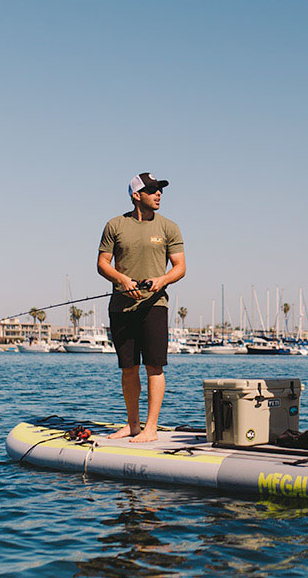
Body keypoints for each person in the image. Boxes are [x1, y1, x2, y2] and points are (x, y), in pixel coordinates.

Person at [97, 172, 186, 443]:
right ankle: (133, 425)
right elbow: (102, 263)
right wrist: (122, 280)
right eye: (152, 190)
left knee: (154, 367)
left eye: (160, 190)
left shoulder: (169, 227)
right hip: (122, 307)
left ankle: (151, 428)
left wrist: (162, 280)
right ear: (136, 195)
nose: (158, 194)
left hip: (154, 306)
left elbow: (180, 267)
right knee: (128, 368)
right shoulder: (115, 225)